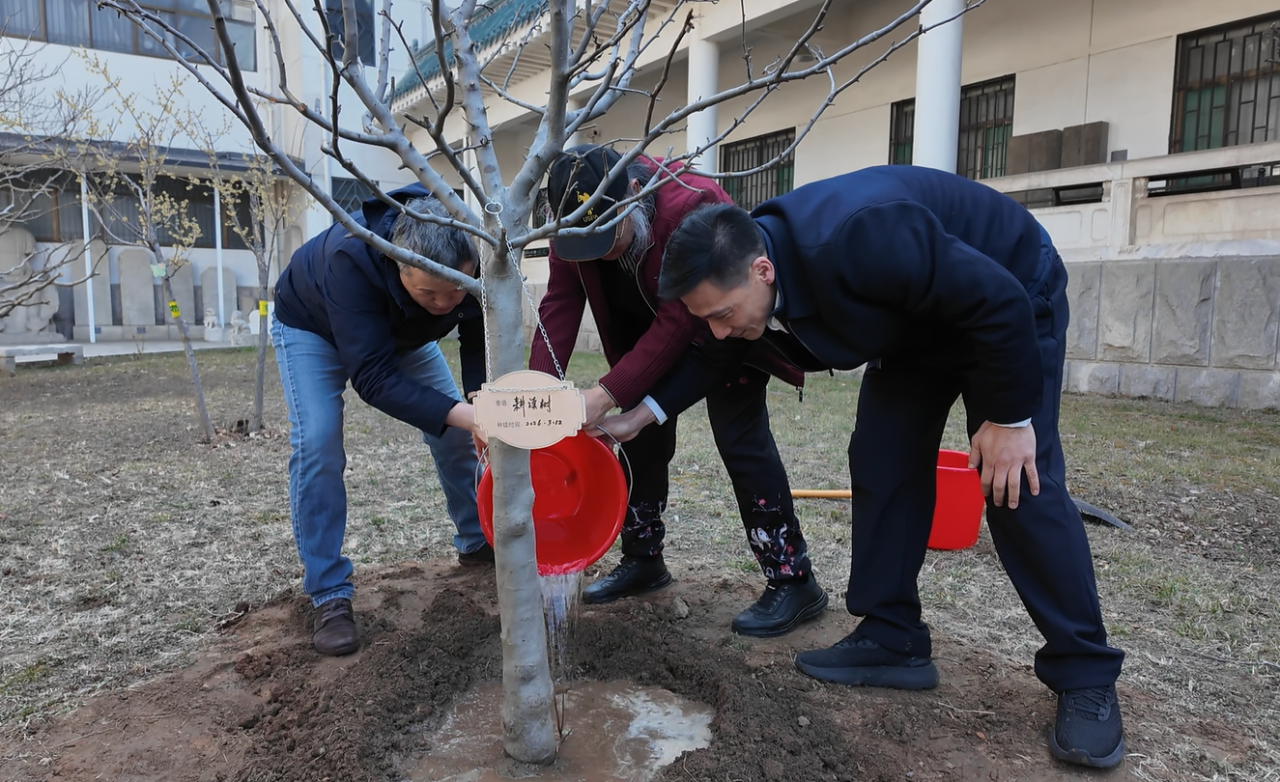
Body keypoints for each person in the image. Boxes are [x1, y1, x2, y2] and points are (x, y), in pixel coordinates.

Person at [603, 165, 1127, 769]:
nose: (718, 329)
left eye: (721, 313)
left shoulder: (857, 237)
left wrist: (1010, 420)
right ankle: (891, 635)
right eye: (707, 319)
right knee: (881, 459)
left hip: (1009, 296)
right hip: (917, 327)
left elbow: (997, 298)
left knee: (1014, 485)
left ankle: (1085, 673)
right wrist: (638, 417)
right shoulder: (753, 268)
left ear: (761, 271)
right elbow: (715, 353)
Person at [530, 144, 828, 637]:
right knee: (636, 439)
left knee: (740, 438)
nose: (600, 252)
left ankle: (793, 579)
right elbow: (561, 300)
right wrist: (537, 398)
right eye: (584, 244)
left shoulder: (690, 202)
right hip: (636, 337)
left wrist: (605, 392)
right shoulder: (572, 219)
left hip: (720, 332)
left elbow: (679, 318)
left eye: (609, 237)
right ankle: (644, 558)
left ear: (632, 196)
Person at [272, 185, 492, 657]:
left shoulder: (466, 249)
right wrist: (466, 413)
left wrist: (479, 400)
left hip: (402, 336)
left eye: (457, 290)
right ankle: (329, 594)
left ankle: (478, 541)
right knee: (318, 441)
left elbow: (476, 330)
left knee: (459, 432)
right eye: (430, 292)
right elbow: (371, 377)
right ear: (399, 263)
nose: (445, 303)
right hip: (313, 325)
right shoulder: (351, 258)